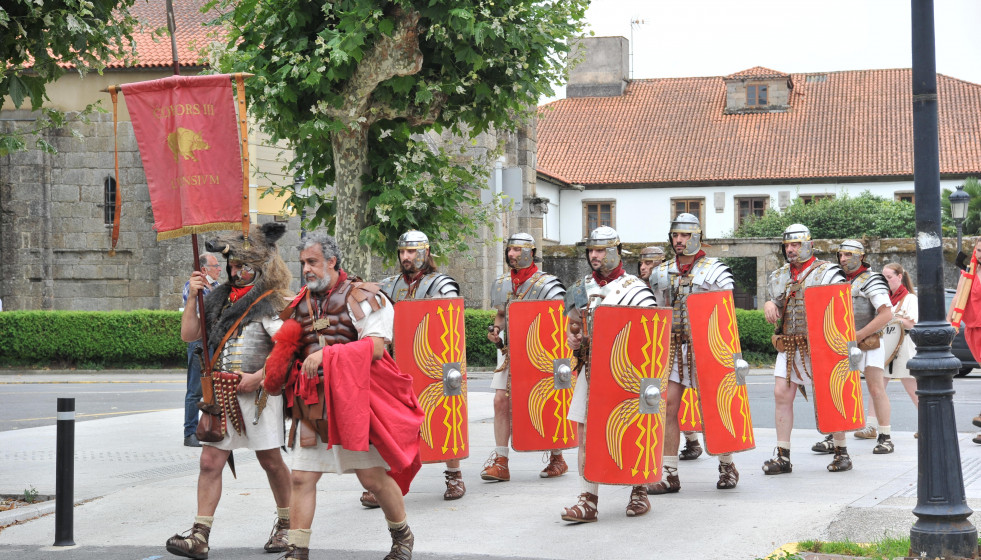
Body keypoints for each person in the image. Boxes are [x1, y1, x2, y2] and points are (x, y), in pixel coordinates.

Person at [262, 232, 423, 560]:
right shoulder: (300, 304)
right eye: (303, 262)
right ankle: (298, 549)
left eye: (313, 262)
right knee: (302, 477)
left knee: (372, 478)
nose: (306, 269)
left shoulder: (363, 296)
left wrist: (329, 355)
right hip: (313, 404)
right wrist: (268, 376)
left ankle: (402, 536)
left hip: (353, 402)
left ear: (332, 261)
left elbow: (377, 347)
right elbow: (285, 350)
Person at [165, 222, 295, 560]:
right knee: (210, 462)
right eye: (232, 265)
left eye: (242, 266)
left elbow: (288, 348)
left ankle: (287, 525)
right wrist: (195, 295)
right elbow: (189, 335)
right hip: (220, 396)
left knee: (271, 461)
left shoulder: (271, 301)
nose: (235, 272)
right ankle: (199, 536)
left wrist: (262, 376)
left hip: (260, 398)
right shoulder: (217, 300)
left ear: (258, 266)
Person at [560, 226, 658, 523]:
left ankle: (639, 490)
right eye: (591, 250)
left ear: (616, 251)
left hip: (627, 373)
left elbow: (650, 334)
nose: (594, 256)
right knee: (584, 432)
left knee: (632, 428)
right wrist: (573, 338)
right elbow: (572, 325)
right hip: (591, 370)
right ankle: (587, 499)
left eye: (600, 250)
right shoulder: (580, 288)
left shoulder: (636, 289)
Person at [367, 230, 464, 505]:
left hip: (433, 364)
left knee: (445, 411)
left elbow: (447, 327)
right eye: (402, 252)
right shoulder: (389, 286)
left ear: (425, 252)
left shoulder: (441, 284)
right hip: (398, 363)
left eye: (411, 252)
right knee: (390, 422)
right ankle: (386, 481)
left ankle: (454, 474)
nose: (406, 257)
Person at [647, 213, 739, 493]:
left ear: (696, 237)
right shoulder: (660, 273)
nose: (679, 240)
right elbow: (656, 312)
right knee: (668, 406)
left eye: (685, 235)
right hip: (673, 347)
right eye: (675, 235)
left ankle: (726, 465)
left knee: (713, 405)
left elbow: (725, 314)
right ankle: (669, 472)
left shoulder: (715, 271)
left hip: (706, 348)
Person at [761, 224, 848, 475]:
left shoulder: (828, 272)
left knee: (829, 395)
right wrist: (769, 302)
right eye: (787, 245)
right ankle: (782, 456)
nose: (790, 249)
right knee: (781, 394)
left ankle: (842, 451)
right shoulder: (779, 276)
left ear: (809, 244)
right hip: (790, 345)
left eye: (795, 244)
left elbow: (839, 308)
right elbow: (778, 300)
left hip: (821, 346)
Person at [482, 233, 568, 482]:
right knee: (500, 401)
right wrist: (496, 330)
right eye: (510, 249)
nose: (512, 254)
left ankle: (557, 457)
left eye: (518, 250)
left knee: (546, 401)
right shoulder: (501, 283)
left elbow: (556, 321)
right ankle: (501, 461)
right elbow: (501, 314)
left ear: (531, 252)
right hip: (510, 352)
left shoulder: (547, 284)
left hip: (540, 354)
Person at [811, 240, 894, 455]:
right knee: (838, 389)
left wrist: (859, 335)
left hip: (868, 343)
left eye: (848, 254)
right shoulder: (834, 279)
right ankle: (835, 435)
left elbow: (887, 314)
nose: (843, 259)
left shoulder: (871, 279)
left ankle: (885, 436)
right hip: (839, 345)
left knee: (876, 388)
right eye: (841, 255)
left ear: (861, 256)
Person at [181, 254, 222, 447]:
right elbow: (205, 311)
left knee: (214, 388)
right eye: (216, 266)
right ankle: (190, 432)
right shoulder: (193, 288)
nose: (220, 269)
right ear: (204, 270)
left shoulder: (217, 287)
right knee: (195, 389)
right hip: (199, 342)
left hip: (215, 341)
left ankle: (210, 428)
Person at [881, 263, 919, 434]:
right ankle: (872, 426)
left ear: (899, 277)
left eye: (889, 277)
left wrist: (892, 318)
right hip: (886, 343)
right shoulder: (884, 298)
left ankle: (927, 424)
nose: (886, 281)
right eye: (884, 277)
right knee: (878, 386)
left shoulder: (910, 298)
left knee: (912, 388)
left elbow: (911, 322)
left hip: (904, 344)